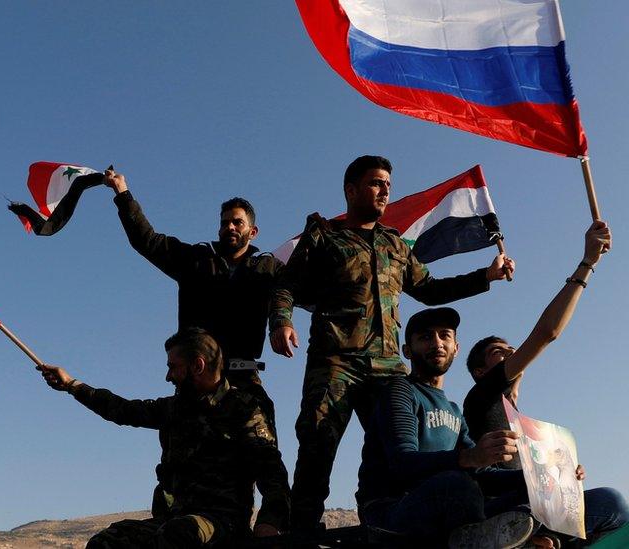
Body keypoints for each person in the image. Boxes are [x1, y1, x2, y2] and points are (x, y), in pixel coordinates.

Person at [268, 155, 515, 536]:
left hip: (386, 366)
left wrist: (486, 275)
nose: (384, 190)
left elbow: (430, 290)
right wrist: (282, 321)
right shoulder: (325, 236)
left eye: (387, 184)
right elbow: (287, 284)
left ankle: (402, 518)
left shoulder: (395, 246)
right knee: (318, 445)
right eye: (375, 183)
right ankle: (301, 531)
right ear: (351, 190)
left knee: (401, 447)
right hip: (335, 362)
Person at [356, 308, 628, 547]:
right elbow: (402, 464)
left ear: (455, 347)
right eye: (426, 337)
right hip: (395, 512)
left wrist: (550, 476)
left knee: (610, 501)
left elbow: (483, 473)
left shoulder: (452, 410)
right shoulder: (400, 392)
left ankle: (524, 538)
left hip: (463, 513)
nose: (437, 343)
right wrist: (469, 458)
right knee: (458, 484)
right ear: (407, 351)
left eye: (444, 335)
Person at [37, 328, 291, 547]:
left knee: (178, 534)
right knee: (108, 541)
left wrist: (269, 523)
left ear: (198, 365)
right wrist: (72, 385)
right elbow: (124, 410)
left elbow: (272, 473)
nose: (168, 376)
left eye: (173, 367)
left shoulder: (243, 409)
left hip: (223, 522)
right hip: (175, 519)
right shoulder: (175, 408)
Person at [463, 220, 626, 547]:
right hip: (500, 509)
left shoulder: (523, 420)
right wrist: (587, 264)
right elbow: (546, 334)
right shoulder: (482, 399)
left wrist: (566, 477)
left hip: (538, 507)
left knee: (613, 504)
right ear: (481, 372)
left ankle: (544, 538)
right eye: (499, 352)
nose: (510, 352)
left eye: (511, 348)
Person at [103, 168, 281, 424]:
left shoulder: (268, 269)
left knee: (260, 446)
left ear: (252, 232)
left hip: (243, 376)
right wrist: (122, 193)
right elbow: (147, 241)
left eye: (237, 222)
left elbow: (298, 289)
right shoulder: (196, 261)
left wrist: (283, 322)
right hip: (197, 378)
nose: (229, 227)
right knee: (188, 450)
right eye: (224, 222)